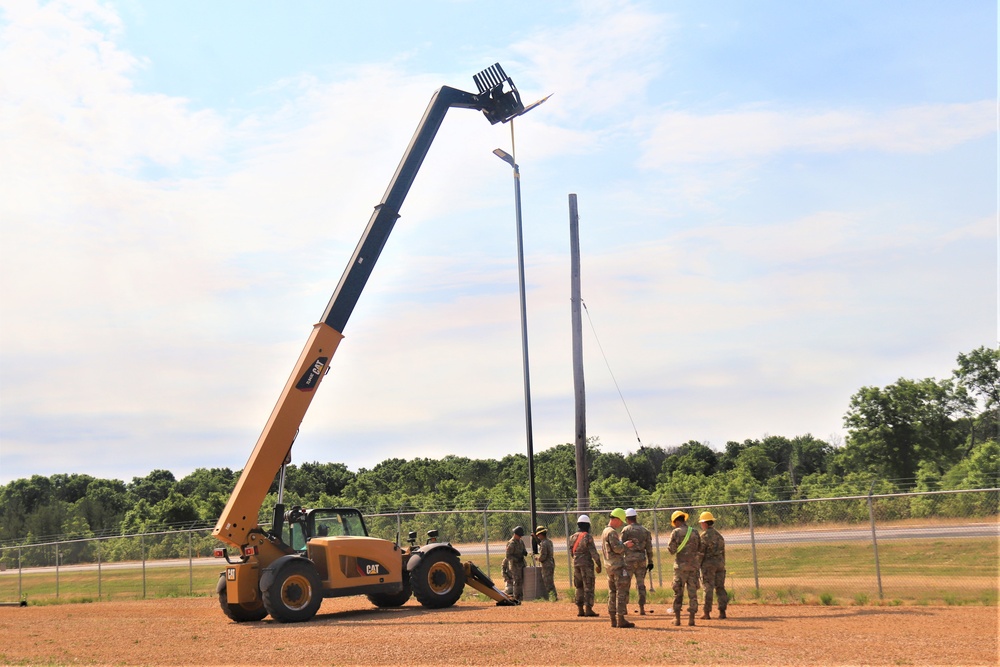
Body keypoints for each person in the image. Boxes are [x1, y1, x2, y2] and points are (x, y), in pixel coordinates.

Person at [601, 507, 636, 628]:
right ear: (615, 519)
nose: (621, 524)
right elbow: (617, 548)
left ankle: (612, 619)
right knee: (621, 592)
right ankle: (620, 619)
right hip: (617, 566)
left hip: (609, 566)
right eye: (621, 521)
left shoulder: (605, 531)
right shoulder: (612, 532)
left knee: (612, 592)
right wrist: (626, 545)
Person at [667, 509, 701, 626]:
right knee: (692, 593)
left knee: (678, 592)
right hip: (693, 567)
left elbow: (671, 550)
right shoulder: (695, 532)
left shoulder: (676, 532)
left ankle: (677, 619)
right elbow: (699, 548)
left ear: (676, 521)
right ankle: (692, 619)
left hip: (680, 568)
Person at [621, 507, 654, 615]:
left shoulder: (625, 530)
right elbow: (649, 548)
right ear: (635, 517)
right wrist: (650, 561)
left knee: (625, 584)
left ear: (627, 519)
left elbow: (621, 546)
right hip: (641, 560)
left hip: (629, 560)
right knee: (641, 584)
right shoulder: (645, 530)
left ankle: (624, 608)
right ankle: (642, 608)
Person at [567, 514, 601, 617]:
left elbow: (571, 552)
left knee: (579, 586)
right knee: (588, 586)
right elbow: (593, 552)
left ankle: (580, 609)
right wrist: (598, 564)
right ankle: (588, 609)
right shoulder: (587, 536)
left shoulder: (572, 537)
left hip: (576, 564)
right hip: (586, 565)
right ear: (587, 525)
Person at [697, 511, 728, 620]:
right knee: (720, 588)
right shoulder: (719, 536)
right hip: (720, 564)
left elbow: (701, 553)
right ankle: (722, 611)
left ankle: (706, 612)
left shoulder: (704, 536)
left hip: (708, 565)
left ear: (705, 523)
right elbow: (723, 552)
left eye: (701, 522)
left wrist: (697, 566)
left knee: (708, 588)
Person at [505, 525, 528, 601]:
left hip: (522, 564)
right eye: (519, 535)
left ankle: (522, 596)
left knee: (522, 581)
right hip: (515, 566)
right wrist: (516, 559)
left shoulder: (521, 542)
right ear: (515, 534)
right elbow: (508, 556)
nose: (520, 537)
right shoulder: (511, 543)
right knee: (517, 581)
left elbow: (523, 550)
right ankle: (517, 598)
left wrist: (524, 552)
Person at [535, 526, 557, 601]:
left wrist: (538, 558)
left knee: (548, 582)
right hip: (551, 563)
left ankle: (553, 597)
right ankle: (553, 596)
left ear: (541, 534)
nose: (538, 537)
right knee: (550, 581)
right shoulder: (549, 541)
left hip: (546, 565)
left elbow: (543, 556)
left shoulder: (543, 543)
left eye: (538, 535)